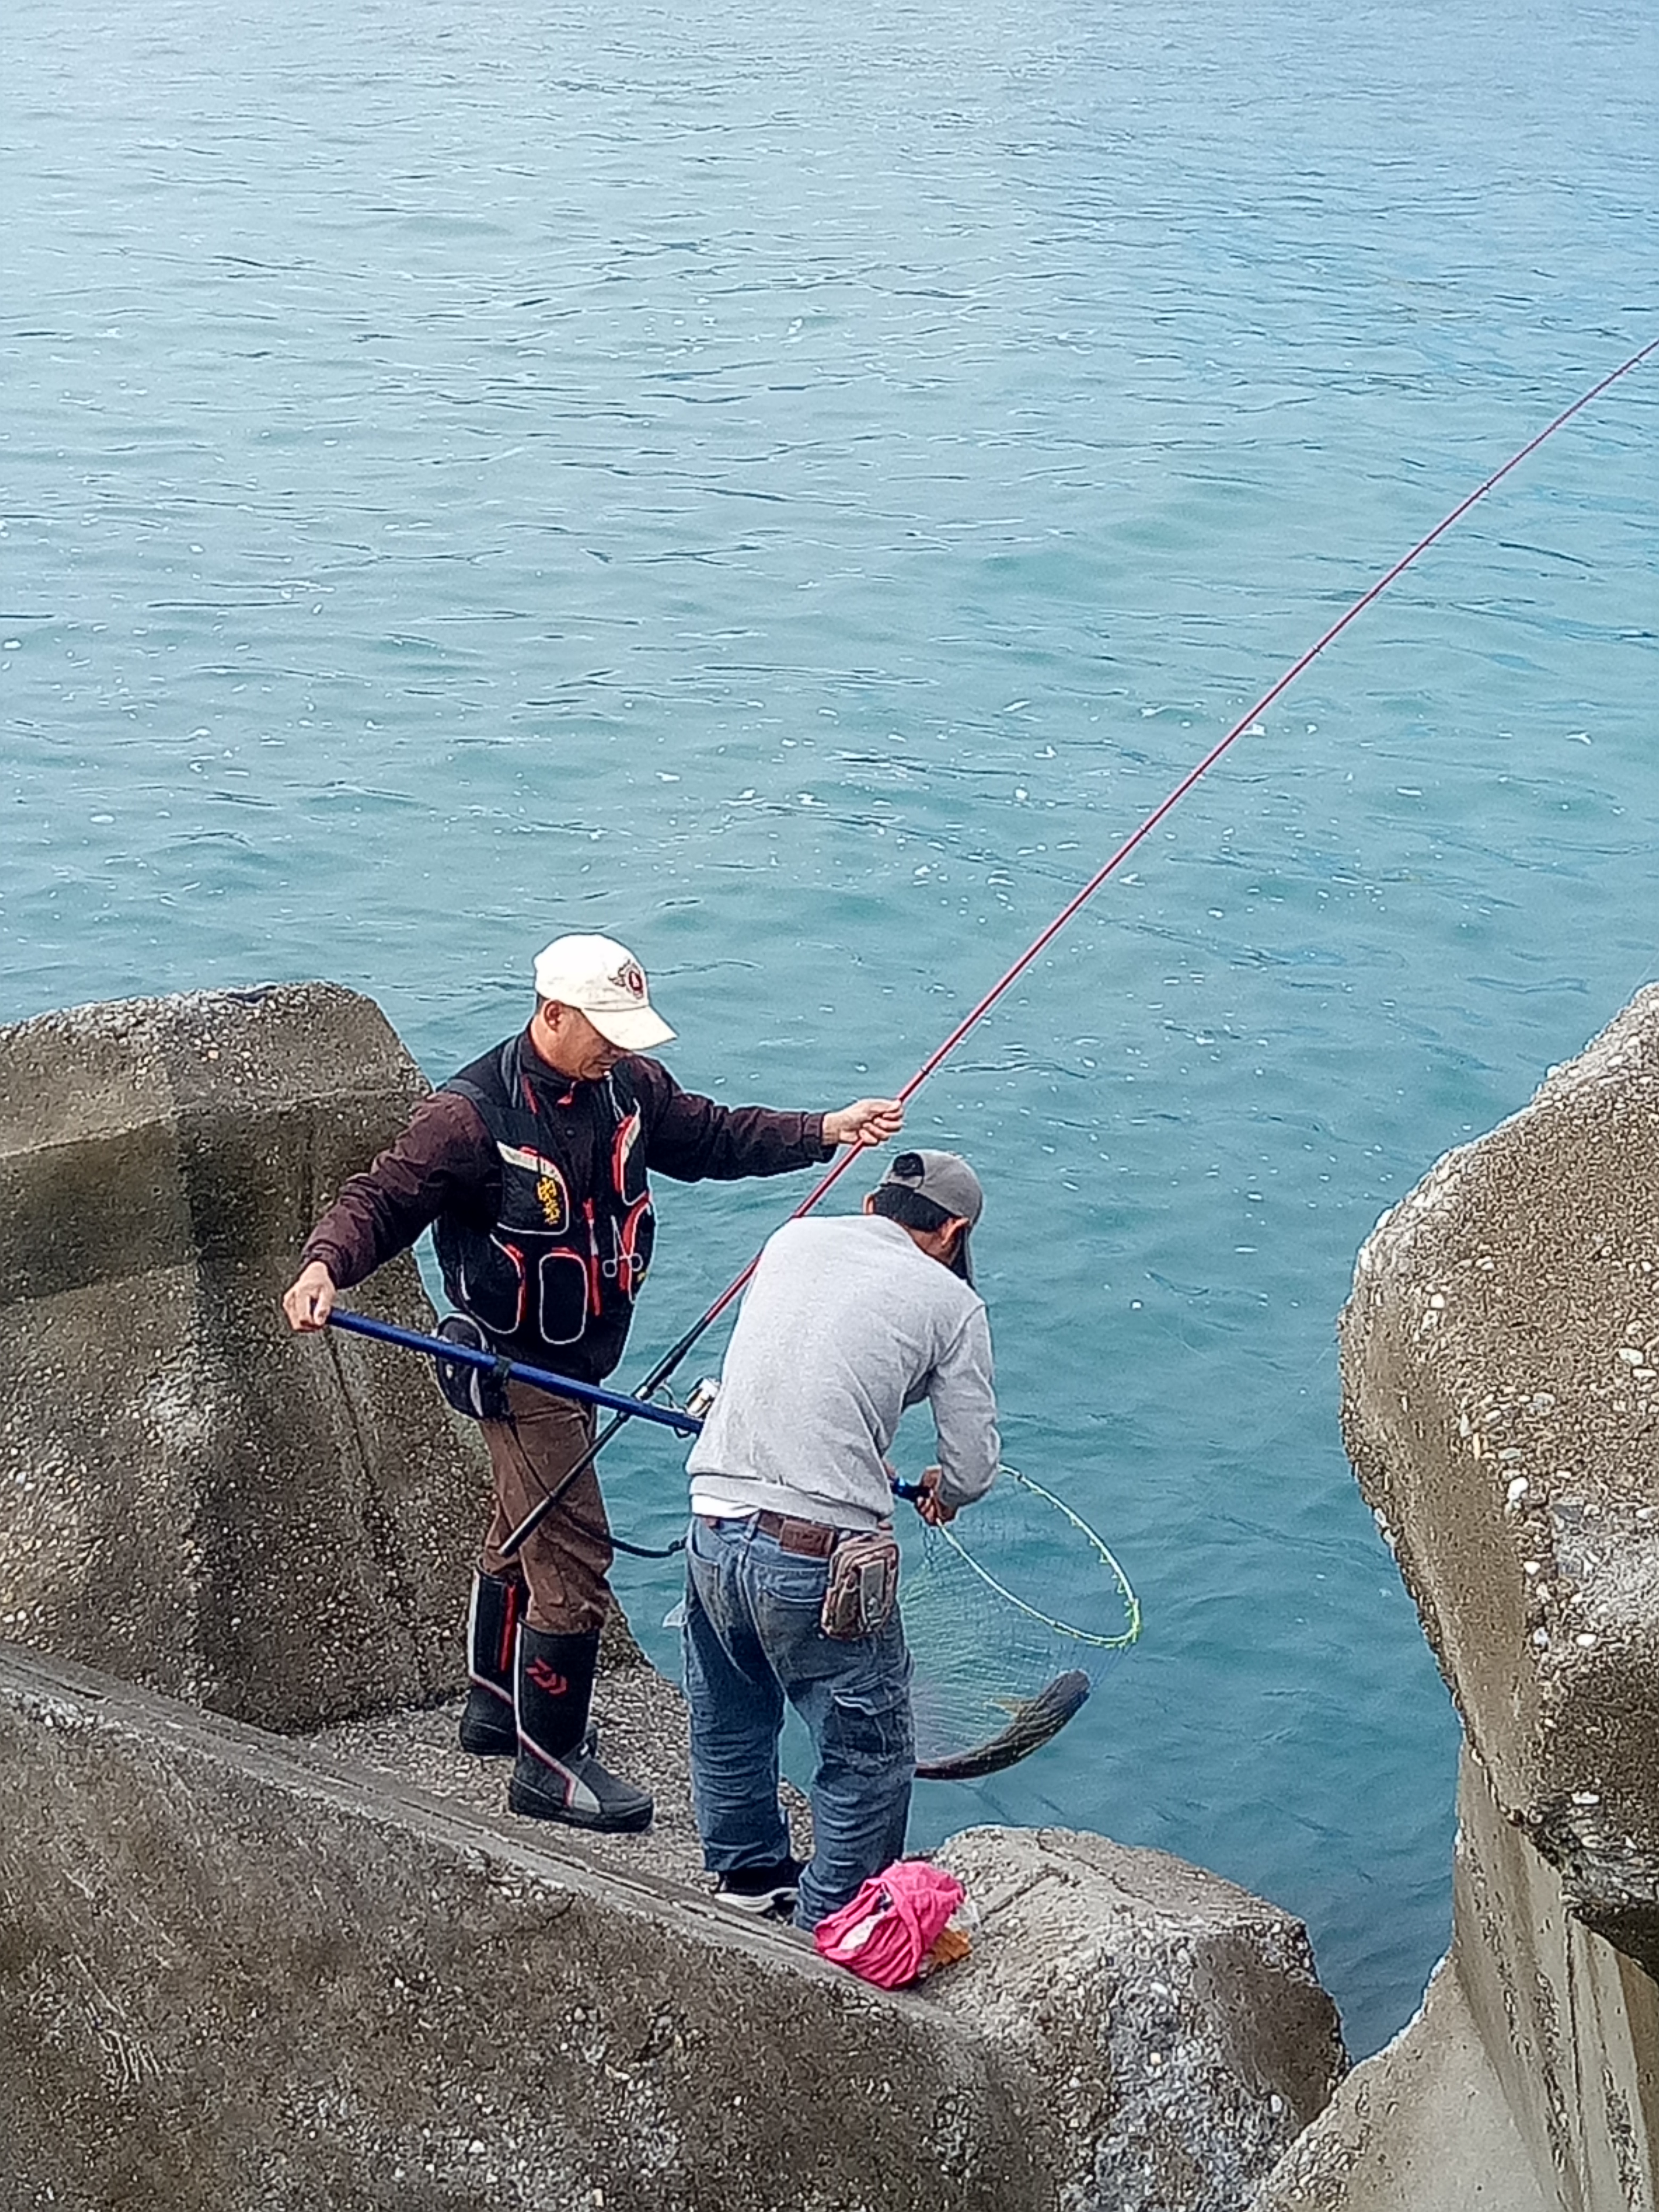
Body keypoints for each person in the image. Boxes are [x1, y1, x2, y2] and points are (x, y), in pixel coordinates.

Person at [282, 933, 902, 1834]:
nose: (621, 1047)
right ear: (552, 1014)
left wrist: (824, 1133)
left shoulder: (628, 1090)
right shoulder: (469, 1115)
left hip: (581, 1362)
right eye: (605, 1029)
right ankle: (550, 1766)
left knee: (519, 1525)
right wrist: (324, 1266)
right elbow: (381, 1196)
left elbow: (713, 1135)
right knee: (573, 1557)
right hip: (510, 1363)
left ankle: (496, 1709)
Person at [680, 1149, 999, 1928]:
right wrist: (944, 1492)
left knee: (729, 1714)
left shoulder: (792, 1240)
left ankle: (748, 1874)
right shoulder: (953, 1304)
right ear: (954, 1230)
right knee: (869, 1755)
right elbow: (972, 1464)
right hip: (817, 1557)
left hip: (713, 1524)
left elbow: (807, 1371)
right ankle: (834, 1927)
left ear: (870, 1204)